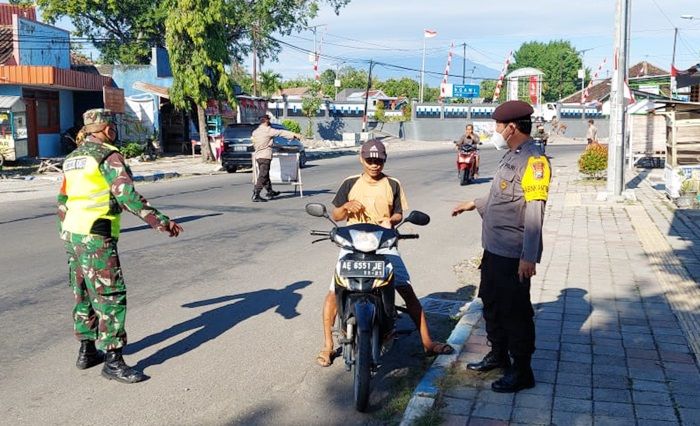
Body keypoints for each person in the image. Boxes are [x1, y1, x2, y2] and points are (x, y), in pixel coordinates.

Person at [57, 109, 183, 384]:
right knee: (109, 295)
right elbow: (126, 195)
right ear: (107, 129)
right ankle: (113, 360)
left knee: (83, 293)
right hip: (95, 234)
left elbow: (62, 200)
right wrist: (161, 222)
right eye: (113, 126)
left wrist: (66, 232)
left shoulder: (72, 158)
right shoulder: (107, 155)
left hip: (72, 234)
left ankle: (87, 350)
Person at [316, 139, 454, 367]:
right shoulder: (350, 183)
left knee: (406, 290)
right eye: (370, 160)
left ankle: (428, 343)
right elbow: (337, 215)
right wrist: (346, 207)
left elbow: (399, 214)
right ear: (362, 159)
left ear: (384, 160)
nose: (374, 164)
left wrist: (390, 220)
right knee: (334, 291)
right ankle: (328, 345)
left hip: (384, 245)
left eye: (379, 160)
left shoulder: (393, 184)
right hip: (352, 245)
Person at [452, 100, 551, 393]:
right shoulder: (511, 156)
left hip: (513, 254)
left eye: (497, 125)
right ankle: (498, 355)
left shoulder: (534, 162)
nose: (494, 130)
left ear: (510, 127)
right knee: (492, 304)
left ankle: (522, 371)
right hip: (493, 249)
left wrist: (529, 257)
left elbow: (534, 210)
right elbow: (500, 197)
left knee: (516, 312)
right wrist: (473, 203)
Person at [251, 116, 302, 202]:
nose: (270, 122)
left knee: (265, 175)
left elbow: (257, 142)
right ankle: (256, 194)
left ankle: (270, 191)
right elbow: (281, 132)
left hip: (258, 156)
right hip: (265, 156)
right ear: (266, 121)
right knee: (263, 175)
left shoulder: (255, 132)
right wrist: (294, 135)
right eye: (269, 120)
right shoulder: (268, 130)